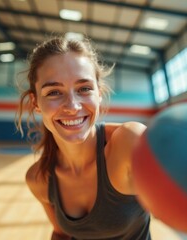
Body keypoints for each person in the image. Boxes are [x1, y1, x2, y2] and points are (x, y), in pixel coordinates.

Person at [16, 35, 151, 240]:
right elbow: (61, 234)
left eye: (84, 89)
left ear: (99, 93)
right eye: (53, 92)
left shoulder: (129, 142)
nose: (72, 106)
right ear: (35, 103)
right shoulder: (39, 179)